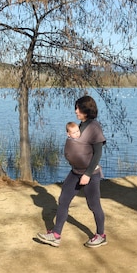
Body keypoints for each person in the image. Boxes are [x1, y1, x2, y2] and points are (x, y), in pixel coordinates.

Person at [37, 95, 107, 248]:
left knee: (94, 205)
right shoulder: (79, 126)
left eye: (78, 108)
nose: (76, 111)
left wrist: (88, 174)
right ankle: (56, 235)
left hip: (90, 174)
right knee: (63, 200)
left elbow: (98, 154)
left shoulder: (94, 127)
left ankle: (101, 235)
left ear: (86, 110)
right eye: (76, 108)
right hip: (75, 172)